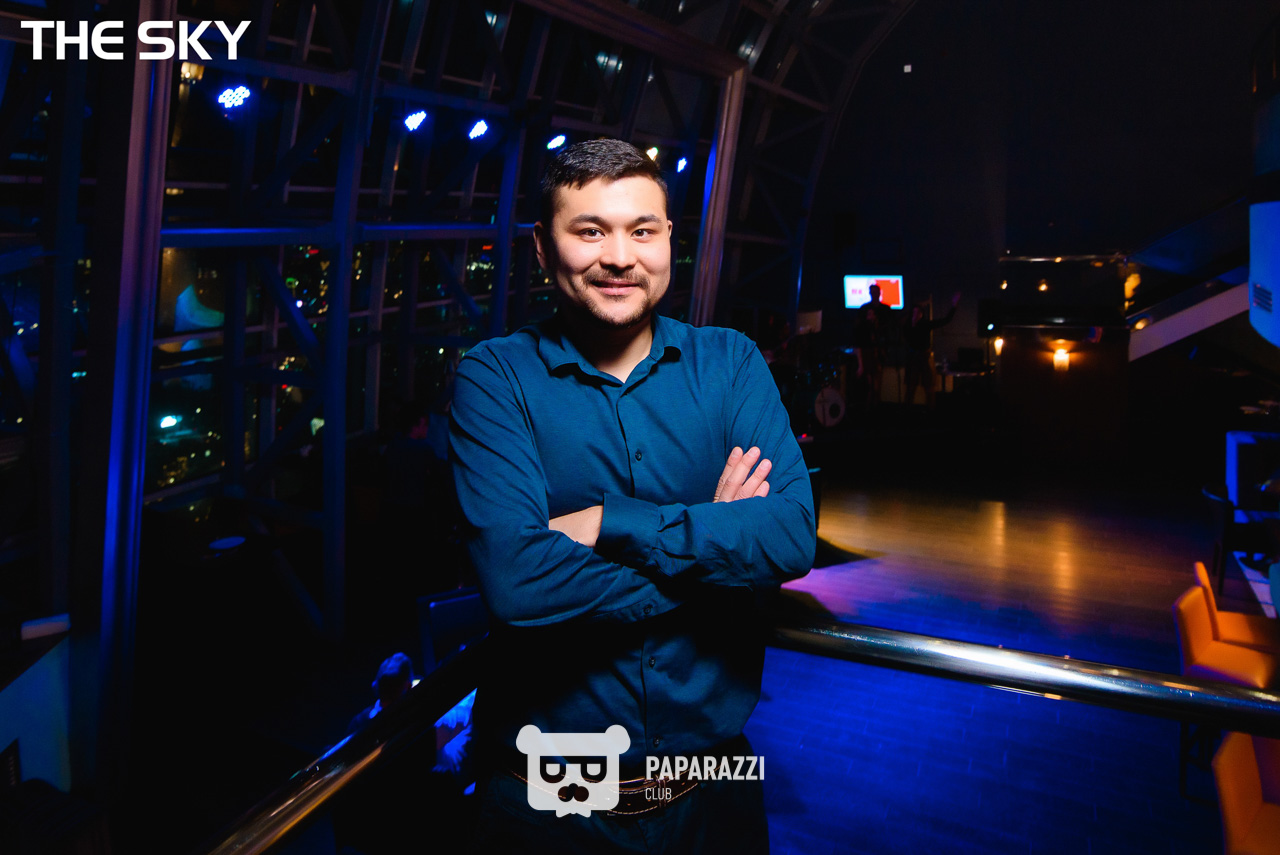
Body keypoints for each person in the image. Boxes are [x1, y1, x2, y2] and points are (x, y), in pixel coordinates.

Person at [449, 139, 816, 853]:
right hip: (547, 805)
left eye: (642, 230)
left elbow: (790, 535)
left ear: (669, 238)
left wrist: (607, 523)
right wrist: (715, 551)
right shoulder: (495, 378)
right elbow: (517, 582)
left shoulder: (731, 363)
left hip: (713, 794)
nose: (620, 256)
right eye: (590, 231)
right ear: (542, 247)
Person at [902, 293, 960, 409]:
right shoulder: (907, 326)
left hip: (924, 356)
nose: (916, 315)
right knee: (911, 387)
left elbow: (945, 320)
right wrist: (912, 322)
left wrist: (954, 306)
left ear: (921, 314)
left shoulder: (925, 324)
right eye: (914, 312)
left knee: (929, 387)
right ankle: (907, 411)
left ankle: (931, 410)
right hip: (913, 357)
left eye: (918, 313)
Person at [854, 283, 895, 406]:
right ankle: (872, 407)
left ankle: (873, 407)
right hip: (870, 352)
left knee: (875, 384)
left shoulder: (884, 310)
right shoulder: (865, 313)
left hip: (878, 351)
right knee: (872, 385)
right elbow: (859, 341)